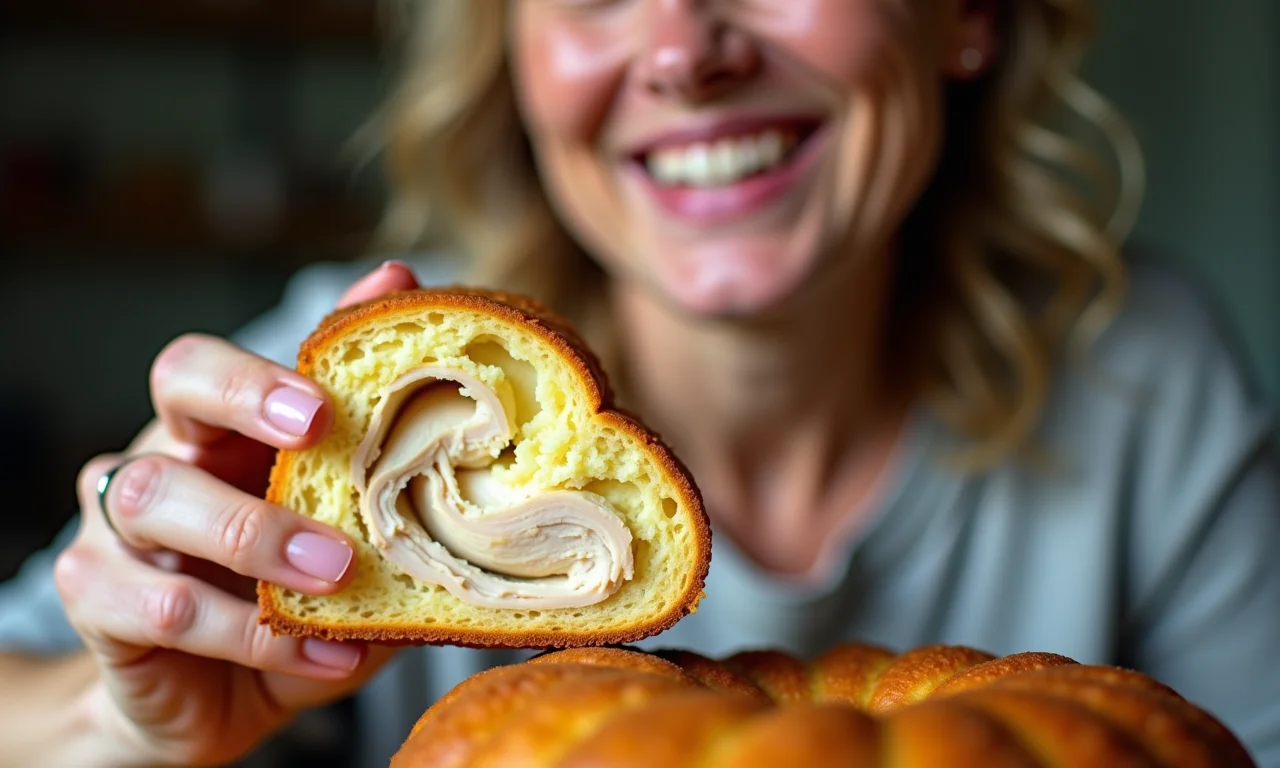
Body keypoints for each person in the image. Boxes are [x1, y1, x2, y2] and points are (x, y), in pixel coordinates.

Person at [3, 1, 1279, 766]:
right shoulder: (341, 400)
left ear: (967, 14)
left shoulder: (1143, 379)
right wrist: (122, 723)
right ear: (510, 52)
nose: (682, 51)